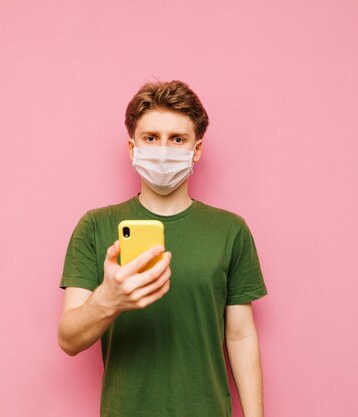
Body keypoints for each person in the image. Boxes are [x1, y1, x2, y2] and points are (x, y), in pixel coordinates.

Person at [58, 80, 268, 417]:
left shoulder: (231, 230)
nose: (163, 149)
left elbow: (241, 335)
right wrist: (106, 301)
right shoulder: (95, 227)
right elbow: (69, 339)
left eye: (178, 139)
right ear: (132, 147)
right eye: (151, 138)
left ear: (196, 150)